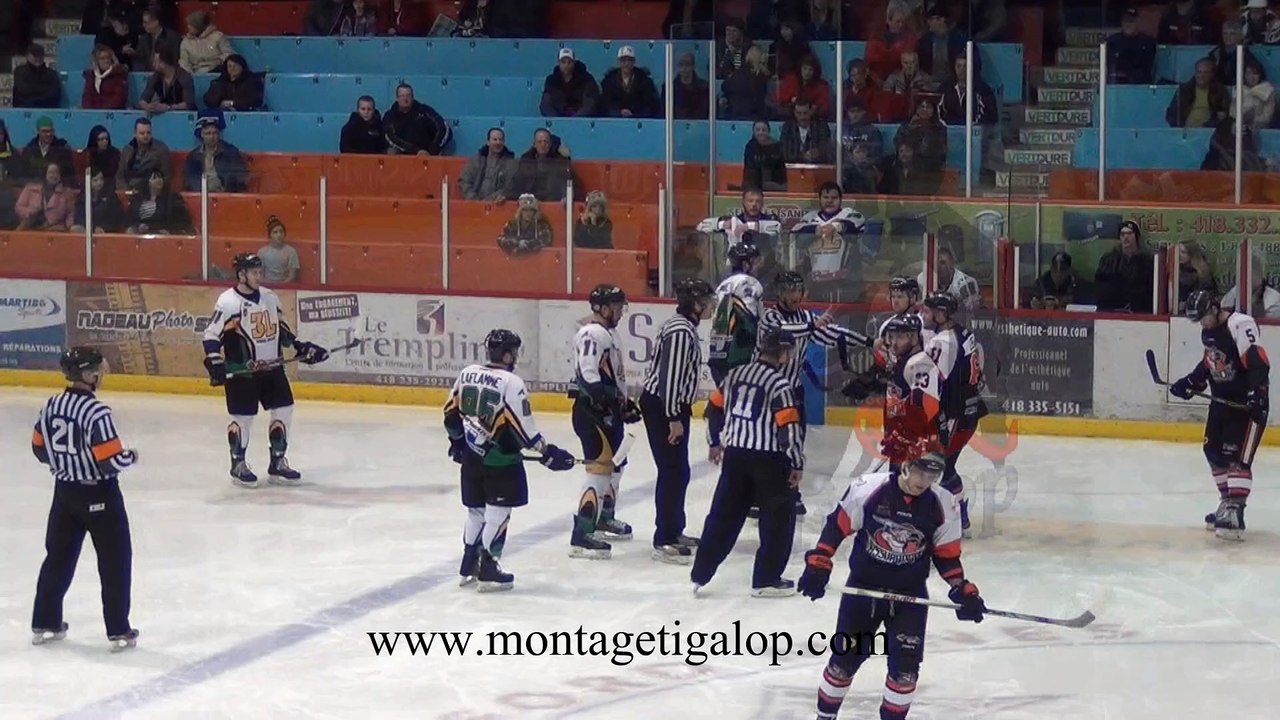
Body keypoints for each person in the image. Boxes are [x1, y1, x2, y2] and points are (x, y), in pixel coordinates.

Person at [798, 449, 986, 720]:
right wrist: (819, 561)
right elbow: (836, 527)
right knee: (843, 663)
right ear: (906, 466)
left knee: (905, 672)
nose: (925, 480)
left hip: (909, 597)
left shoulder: (944, 504)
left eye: (932, 474)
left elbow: (946, 556)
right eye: (921, 471)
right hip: (863, 590)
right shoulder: (870, 489)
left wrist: (962, 589)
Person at [444, 329, 576, 591]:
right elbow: (523, 428)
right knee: (498, 511)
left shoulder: (467, 373)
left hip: (471, 457)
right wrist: (547, 452)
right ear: (506, 354)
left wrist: (458, 443)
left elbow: (450, 414)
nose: (516, 356)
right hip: (500, 460)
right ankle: (489, 566)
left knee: (476, 510)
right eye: (514, 351)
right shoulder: (511, 382)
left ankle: (469, 561)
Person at [30, 347, 141, 651]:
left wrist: (66, 464)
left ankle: (45, 620)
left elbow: (39, 448)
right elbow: (109, 460)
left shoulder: (51, 405)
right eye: (97, 370)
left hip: (64, 493)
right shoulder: (97, 412)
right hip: (100, 494)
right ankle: (118, 629)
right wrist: (130, 457)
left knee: (58, 558)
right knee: (115, 560)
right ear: (89, 374)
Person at [201, 253, 330, 487]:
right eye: (254, 272)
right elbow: (211, 334)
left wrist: (302, 347)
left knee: (284, 409)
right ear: (241, 274)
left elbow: (282, 330)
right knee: (243, 418)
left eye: (260, 272)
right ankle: (238, 464)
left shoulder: (270, 298)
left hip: (272, 368)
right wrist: (215, 360)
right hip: (243, 370)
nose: (259, 276)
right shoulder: (228, 302)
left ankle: (277, 463)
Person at [691, 328, 803, 597]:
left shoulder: (734, 375)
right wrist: (796, 463)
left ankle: (700, 573)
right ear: (784, 354)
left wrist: (714, 442)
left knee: (723, 516)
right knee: (777, 519)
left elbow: (712, 411)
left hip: (735, 457)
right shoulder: (780, 384)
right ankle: (766, 579)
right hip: (769, 460)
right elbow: (788, 428)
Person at [756, 271, 872, 517]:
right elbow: (785, 332)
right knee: (766, 443)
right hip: (767, 390)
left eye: (798, 290)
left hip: (792, 390)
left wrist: (869, 341)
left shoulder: (805, 317)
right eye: (790, 290)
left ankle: (791, 492)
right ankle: (760, 494)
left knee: (795, 441)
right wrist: (812, 325)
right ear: (780, 293)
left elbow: (831, 335)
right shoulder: (770, 317)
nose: (796, 295)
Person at [1171, 290, 1270, 541]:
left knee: (1237, 458)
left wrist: (1256, 393)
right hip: (1221, 403)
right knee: (1213, 451)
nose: (1202, 323)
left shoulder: (1240, 324)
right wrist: (1190, 382)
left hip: (1245, 405)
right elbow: (1211, 362)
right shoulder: (1209, 332)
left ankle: (1236, 513)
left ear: (1215, 308)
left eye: (1204, 317)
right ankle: (1226, 504)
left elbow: (1257, 361)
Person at [640, 277, 715, 564]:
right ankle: (665, 539)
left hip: (667, 405)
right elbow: (670, 378)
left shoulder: (683, 327)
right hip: (664, 406)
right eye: (706, 301)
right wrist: (673, 416)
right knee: (672, 471)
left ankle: (674, 530)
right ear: (695, 304)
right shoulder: (681, 332)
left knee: (678, 471)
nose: (710, 307)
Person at [568, 285, 641, 560]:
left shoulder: (609, 334)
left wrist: (622, 406)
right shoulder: (593, 333)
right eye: (618, 306)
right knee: (599, 471)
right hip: (592, 412)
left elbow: (611, 377)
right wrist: (606, 405)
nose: (622, 311)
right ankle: (582, 533)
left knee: (617, 464)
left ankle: (602, 518)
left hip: (604, 411)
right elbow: (588, 374)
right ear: (604, 308)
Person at [922, 291, 988, 536]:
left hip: (955, 414)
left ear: (941, 314)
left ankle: (956, 513)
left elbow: (932, 380)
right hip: (969, 410)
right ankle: (959, 513)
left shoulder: (942, 342)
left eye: (928, 311)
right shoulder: (964, 333)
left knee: (940, 465)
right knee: (945, 464)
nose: (923, 315)